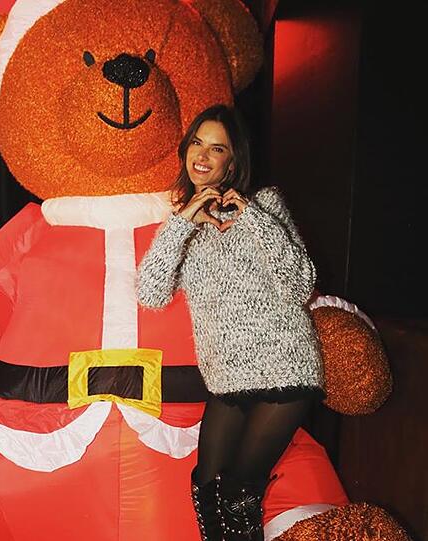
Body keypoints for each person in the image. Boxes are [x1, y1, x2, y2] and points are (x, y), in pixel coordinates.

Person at [136, 104, 324, 541]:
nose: (202, 156)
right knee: (207, 488)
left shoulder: (266, 205)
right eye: (197, 143)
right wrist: (181, 223)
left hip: (285, 369)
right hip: (226, 378)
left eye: (217, 148)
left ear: (233, 160)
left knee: (240, 492)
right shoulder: (183, 223)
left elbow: (300, 283)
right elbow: (150, 293)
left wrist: (253, 218)